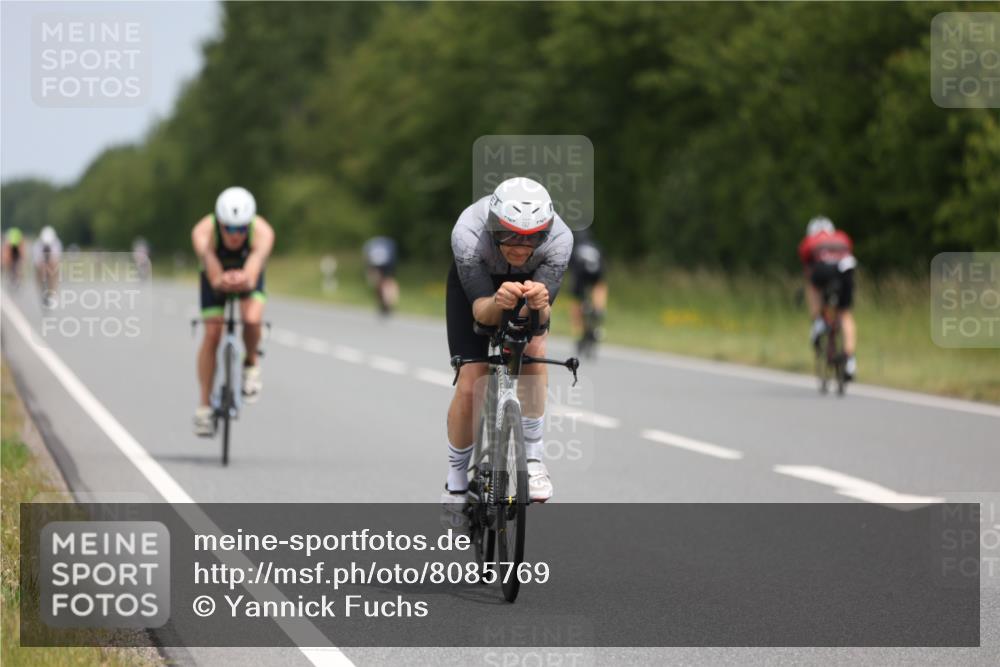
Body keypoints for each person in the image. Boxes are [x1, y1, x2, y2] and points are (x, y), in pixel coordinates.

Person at [443, 176, 573, 511]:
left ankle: (533, 460)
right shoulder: (468, 232)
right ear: (492, 225)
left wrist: (540, 304)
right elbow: (481, 315)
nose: (519, 245)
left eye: (532, 238)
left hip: (531, 283)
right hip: (479, 290)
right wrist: (498, 302)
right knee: (472, 382)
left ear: (546, 231)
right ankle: (455, 485)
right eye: (508, 234)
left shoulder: (560, 239)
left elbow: (539, 322)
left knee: (534, 351)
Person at [191, 187, 274, 435]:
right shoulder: (203, 232)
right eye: (229, 228)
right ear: (219, 223)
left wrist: (243, 279)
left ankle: (251, 363)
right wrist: (221, 281)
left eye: (241, 229)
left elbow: (252, 272)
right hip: (213, 275)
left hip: (248, 273)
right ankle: (204, 406)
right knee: (212, 335)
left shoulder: (263, 232)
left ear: (248, 225)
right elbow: (214, 274)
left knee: (250, 318)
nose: (235, 236)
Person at [797, 216, 858, 379]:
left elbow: (808, 270)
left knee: (812, 285)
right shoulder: (842, 236)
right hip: (846, 270)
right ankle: (850, 360)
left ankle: (818, 321)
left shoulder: (809, 241)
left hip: (823, 268)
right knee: (845, 313)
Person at [568, 228, 607, 353]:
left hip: (580, 273)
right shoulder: (596, 246)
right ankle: (599, 309)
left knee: (576, 300)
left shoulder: (574, 247)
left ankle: (578, 327)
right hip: (596, 271)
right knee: (600, 286)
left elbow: (570, 268)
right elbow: (603, 264)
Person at [362, 236, 399, 315]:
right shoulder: (388, 243)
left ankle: (383, 302)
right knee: (389, 282)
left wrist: (368, 270)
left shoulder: (370, 243)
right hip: (388, 264)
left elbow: (366, 257)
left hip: (375, 264)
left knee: (378, 283)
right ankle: (389, 302)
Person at [33, 226, 62, 307]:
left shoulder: (57, 243)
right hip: (41, 260)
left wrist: (51, 268)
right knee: (39, 271)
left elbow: (56, 259)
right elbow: (37, 261)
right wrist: (41, 267)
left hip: (51, 260)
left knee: (55, 271)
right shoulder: (37, 244)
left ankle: (53, 291)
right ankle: (40, 288)